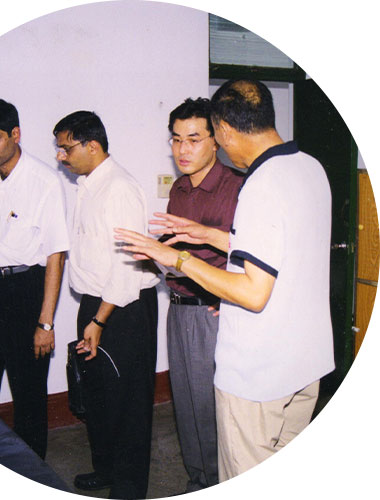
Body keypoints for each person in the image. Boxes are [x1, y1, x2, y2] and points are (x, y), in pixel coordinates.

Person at [115, 79, 335, 481]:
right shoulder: (309, 167)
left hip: (260, 374)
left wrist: (177, 258)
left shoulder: (259, 184)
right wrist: (211, 236)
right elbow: (280, 249)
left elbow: (252, 292)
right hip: (304, 362)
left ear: (225, 132)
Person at [53, 111, 159, 499]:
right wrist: (93, 315)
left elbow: (127, 266)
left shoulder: (119, 188)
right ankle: (107, 470)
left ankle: (129, 488)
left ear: (92, 146)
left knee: (128, 402)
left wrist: (98, 321)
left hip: (123, 309)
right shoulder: (89, 185)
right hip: (96, 304)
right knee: (99, 396)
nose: (61, 156)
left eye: (66, 148)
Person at [0, 98, 70, 459]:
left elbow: (55, 255)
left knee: (28, 394)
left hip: (26, 291)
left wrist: (46, 323)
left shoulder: (44, 181)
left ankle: (32, 472)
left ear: (15, 134)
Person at [153, 98, 242, 492]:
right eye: (176, 140)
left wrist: (230, 300)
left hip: (214, 311)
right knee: (186, 404)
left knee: (213, 407)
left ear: (215, 140)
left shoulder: (235, 187)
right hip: (178, 307)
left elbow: (248, 253)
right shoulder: (179, 189)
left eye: (193, 139)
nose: (182, 150)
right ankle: (197, 480)